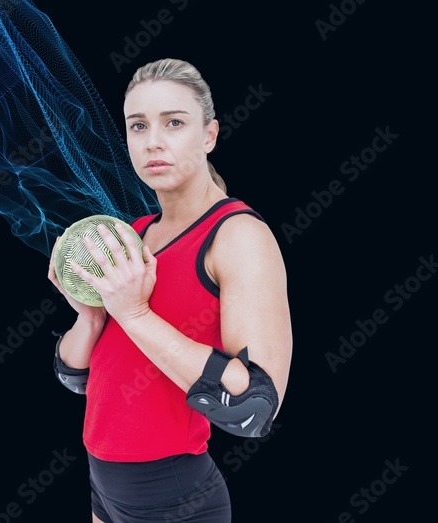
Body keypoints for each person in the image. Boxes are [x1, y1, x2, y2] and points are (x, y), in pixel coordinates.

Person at [48, 58, 292, 522]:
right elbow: (79, 379)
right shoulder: (132, 234)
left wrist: (136, 314)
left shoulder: (237, 235)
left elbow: (253, 406)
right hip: (103, 484)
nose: (152, 142)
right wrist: (92, 315)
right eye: (137, 126)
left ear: (209, 135)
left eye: (174, 122)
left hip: (175, 498)